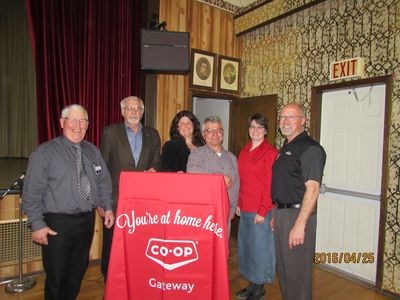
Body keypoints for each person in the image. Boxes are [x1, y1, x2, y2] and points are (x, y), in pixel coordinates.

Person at [22, 104, 114, 300]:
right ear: (62, 122)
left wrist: (107, 207)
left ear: (87, 125)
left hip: (86, 221)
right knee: (57, 277)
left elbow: (104, 182)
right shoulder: (44, 153)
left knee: (76, 274)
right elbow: (31, 192)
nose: (78, 125)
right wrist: (37, 224)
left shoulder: (93, 151)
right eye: (73, 120)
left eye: (82, 121)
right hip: (57, 223)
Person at [99, 96, 161, 279]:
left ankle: (136, 276)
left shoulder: (153, 134)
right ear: (122, 112)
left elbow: (157, 159)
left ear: (142, 112)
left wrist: (154, 169)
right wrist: (103, 201)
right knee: (112, 243)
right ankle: (109, 277)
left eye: (137, 109)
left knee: (138, 241)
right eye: (129, 108)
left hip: (143, 200)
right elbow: (102, 168)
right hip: (116, 199)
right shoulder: (110, 133)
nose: (133, 112)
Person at [271, 102, 326, 300]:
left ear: (303, 121)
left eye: (291, 117)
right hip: (283, 214)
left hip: (298, 215)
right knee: (285, 270)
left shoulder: (310, 148)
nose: (285, 121)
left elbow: (313, 188)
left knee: (297, 274)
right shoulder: (286, 147)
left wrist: (300, 225)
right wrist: (276, 213)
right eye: (282, 117)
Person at [236, 114, 278, 300]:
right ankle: (252, 284)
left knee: (260, 249)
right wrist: (238, 203)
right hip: (244, 206)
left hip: (260, 209)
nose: (255, 130)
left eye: (260, 127)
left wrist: (263, 210)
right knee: (247, 248)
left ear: (266, 131)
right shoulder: (244, 150)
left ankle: (259, 288)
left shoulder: (270, 153)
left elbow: (270, 185)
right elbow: (241, 180)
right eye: (252, 127)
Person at [187, 116, 239, 234]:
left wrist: (232, 209)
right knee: (204, 249)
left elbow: (236, 184)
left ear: (223, 134)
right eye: (210, 131)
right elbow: (192, 171)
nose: (215, 134)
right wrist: (220, 178)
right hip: (203, 214)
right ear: (204, 135)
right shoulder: (196, 155)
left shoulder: (231, 157)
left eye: (218, 130)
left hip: (225, 213)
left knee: (222, 250)